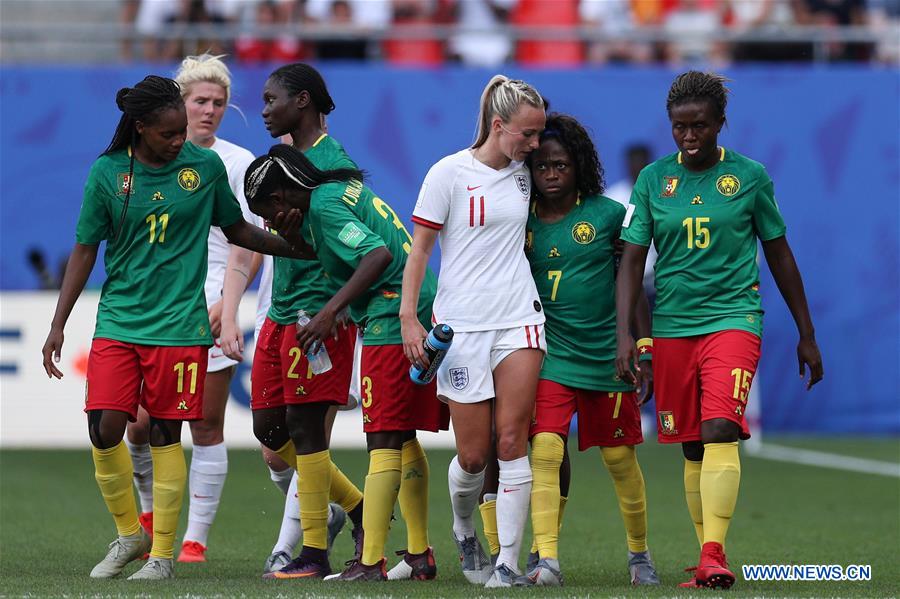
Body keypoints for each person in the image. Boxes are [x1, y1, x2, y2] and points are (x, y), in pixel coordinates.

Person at [40, 75, 314, 581]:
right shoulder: (107, 174)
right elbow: (84, 249)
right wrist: (59, 323)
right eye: (168, 134)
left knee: (167, 433)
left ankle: (162, 555)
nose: (178, 141)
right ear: (141, 128)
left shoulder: (204, 168)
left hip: (180, 326)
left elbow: (238, 231)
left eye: (181, 131)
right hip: (120, 319)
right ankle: (130, 534)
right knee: (104, 428)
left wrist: (295, 245)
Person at [616, 71, 824, 590]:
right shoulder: (652, 181)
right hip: (671, 327)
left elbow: (778, 252)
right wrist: (628, 335)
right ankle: (707, 555)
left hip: (733, 317)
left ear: (720, 124)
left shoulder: (750, 177)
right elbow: (631, 263)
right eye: (680, 127)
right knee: (691, 445)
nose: (690, 137)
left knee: (719, 429)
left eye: (700, 127)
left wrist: (806, 331)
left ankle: (713, 553)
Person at [244, 144, 448, 582]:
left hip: (393, 311)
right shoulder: (332, 190)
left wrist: (329, 310)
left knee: (382, 436)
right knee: (401, 431)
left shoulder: (324, 205)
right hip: (404, 302)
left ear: (280, 202)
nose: (271, 225)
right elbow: (347, 253)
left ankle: (369, 561)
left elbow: (378, 256)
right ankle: (418, 552)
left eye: (268, 214)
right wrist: (299, 243)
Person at [401, 74, 546, 588]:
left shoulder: (527, 173)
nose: (533, 146)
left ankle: (508, 561)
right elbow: (418, 250)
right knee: (473, 455)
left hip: (519, 319)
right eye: (526, 135)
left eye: (539, 135)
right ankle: (464, 527)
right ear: (497, 124)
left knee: (512, 440)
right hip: (460, 328)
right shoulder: (448, 173)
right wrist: (409, 317)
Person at [121, 54, 256, 565]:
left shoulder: (238, 162)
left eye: (219, 103)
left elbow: (248, 246)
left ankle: (195, 539)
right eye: (200, 100)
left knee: (204, 425)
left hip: (212, 303)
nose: (210, 110)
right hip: (153, 307)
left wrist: (228, 306)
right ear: (178, 104)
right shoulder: (144, 159)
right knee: (136, 422)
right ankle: (152, 512)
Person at [515, 113, 659, 586]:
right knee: (546, 450)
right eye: (542, 167)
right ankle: (547, 560)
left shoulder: (607, 215)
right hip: (550, 354)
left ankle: (639, 555)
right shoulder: (520, 220)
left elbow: (631, 282)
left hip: (606, 355)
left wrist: (641, 347)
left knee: (620, 460)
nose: (551, 174)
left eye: (561, 165)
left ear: (580, 166)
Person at [240, 63, 367, 579]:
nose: (264, 108)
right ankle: (356, 507)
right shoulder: (282, 162)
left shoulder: (334, 168)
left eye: (272, 99)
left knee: (306, 428)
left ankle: (313, 551)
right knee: (270, 431)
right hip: (279, 307)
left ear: (305, 101)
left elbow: (350, 247)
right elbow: (292, 244)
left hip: (317, 315)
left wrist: (333, 307)